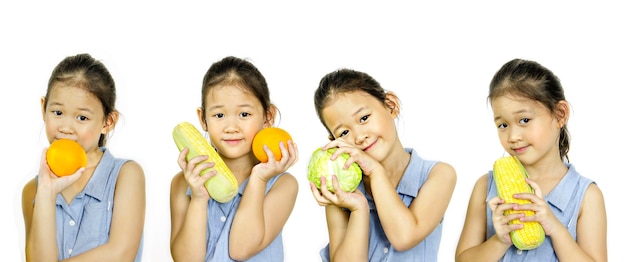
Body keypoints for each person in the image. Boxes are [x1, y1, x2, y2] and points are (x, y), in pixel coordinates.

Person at [455, 58, 607, 261]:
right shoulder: (485, 187)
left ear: (560, 114)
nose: (512, 136)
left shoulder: (587, 196)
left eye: (524, 120)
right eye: (503, 125)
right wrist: (500, 240)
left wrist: (555, 228)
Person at [308, 68, 457, 261]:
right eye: (344, 133)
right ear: (334, 141)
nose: (360, 137)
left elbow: (404, 237)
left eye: (364, 118)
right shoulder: (340, 192)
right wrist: (358, 208)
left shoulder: (438, 174)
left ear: (391, 105)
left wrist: (377, 173)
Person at [169, 56, 299, 261]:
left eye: (244, 114)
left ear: (268, 117)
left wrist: (259, 178)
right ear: (203, 119)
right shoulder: (182, 183)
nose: (231, 127)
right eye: (219, 115)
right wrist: (199, 199)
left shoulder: (282, 184)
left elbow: (241, 249)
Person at [21, 53, 146, 261]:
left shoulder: (126, 175)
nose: (66, 128)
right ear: (44, 108)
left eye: (82, 117)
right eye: (57, 112)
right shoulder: (33, 191)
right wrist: (46, 192)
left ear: (108, 122)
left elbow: (121, 253)